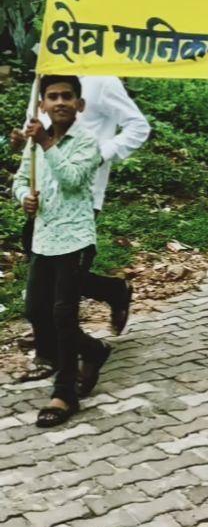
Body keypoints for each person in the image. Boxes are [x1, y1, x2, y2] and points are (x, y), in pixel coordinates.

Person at [12, 75, 151, 337]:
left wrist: (100, 154)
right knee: (41, 261)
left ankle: (56, 344)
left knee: (59, 272)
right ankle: (110, 292)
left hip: (79, 193)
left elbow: (138, 127)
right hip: (43, 194)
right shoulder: (46, 73)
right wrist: (23, 141)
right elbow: (37, 126)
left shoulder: (102, 81)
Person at [12, 75, 111, 428]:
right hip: (43, 239)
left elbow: (71, 179)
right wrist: (24, 197)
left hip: (76, 240)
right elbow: (20, 179)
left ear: (79, 104)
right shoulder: (34, 142)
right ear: (43, 104)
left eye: (67, 96)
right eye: (52, 97)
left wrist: (46, 143)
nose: (60, 102)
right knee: (36, 310)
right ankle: (94, 350)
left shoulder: (88, 142)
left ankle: (65, 392)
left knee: (63, 316)